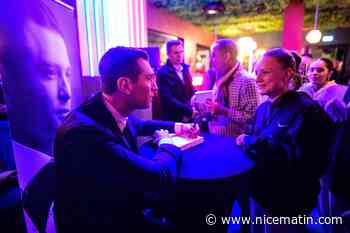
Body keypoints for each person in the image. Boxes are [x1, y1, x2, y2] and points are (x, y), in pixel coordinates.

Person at [54, 47, 198, 233]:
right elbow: (160, 176)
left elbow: (140, 125)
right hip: (101, 223)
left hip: (115, 201)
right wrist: (167, 143)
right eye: (148, 79)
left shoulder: (101, 105)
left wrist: (179, 127)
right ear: (125, 85)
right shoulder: (85, 135)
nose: (155, 87)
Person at [236, 48, 333, 232]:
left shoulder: (307, 110)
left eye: (265, 72)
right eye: (256, 73)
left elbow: (306, 163)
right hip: (260, 192)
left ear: (288, 73)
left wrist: (250, 142)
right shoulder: (264, 107)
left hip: (287, 202)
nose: (257, 79)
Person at [206, 39, 259, 136]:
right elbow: (214, 107)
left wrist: (223, 110)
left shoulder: (247, 81)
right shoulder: (220, 77)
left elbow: (252, 119)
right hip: (215, 137)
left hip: (234, 144)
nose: (211, 60)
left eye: (214, 56)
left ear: (226, 57)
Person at [157, 40, 195, 122]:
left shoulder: (186, 68)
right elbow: (168, 99)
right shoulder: (162, 73)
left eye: (181, 52)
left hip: (189, 116)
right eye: (176, 53)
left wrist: (197, 97)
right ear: (168, 55)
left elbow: (190, 89)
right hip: (173, 118)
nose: (180, 55)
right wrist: (188, 111)